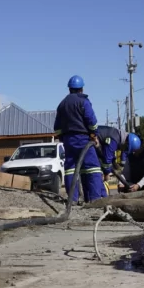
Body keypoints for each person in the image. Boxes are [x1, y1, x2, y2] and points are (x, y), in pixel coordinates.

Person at [53, 75, 108, 203]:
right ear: (81, 89)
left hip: (68, 140)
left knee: (71, 169)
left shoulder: (62, 104)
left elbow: (57, 127)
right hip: (83, 139)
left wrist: (63, 137)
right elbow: (92, 121)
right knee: (92, 168)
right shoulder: (83, 101)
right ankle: (95, 200)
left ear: (69, 89)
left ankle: (72, 199)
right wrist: (94, 133)